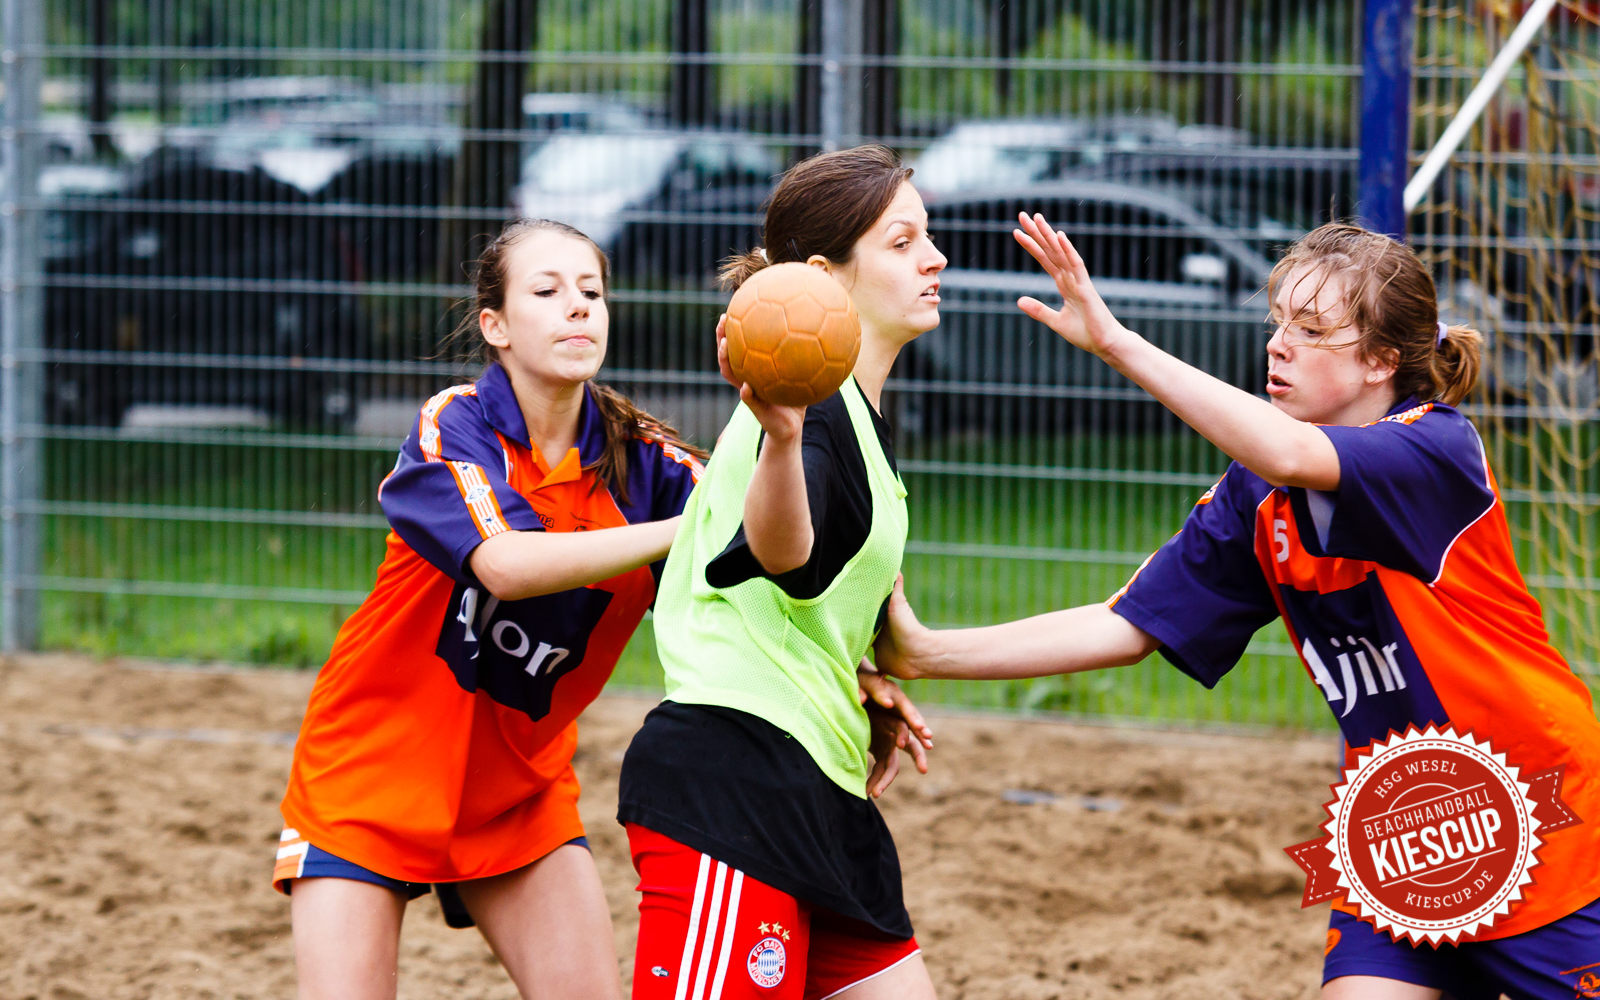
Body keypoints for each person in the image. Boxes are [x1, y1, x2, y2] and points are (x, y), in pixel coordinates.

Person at [876, 219, 1600, 998]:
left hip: (1537, 811)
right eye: (1278, 321)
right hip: (1401, 825)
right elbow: (1128, 624)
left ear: (1381, 362)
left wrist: (1117, 341)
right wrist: (926, 652)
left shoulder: (1435, 451)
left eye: (1312, 328)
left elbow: (1289, 453)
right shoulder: (1257, 494)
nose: (1278, 343)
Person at [274, 218, 706, 1000]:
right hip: (373, 774)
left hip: (517, 790)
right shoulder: (455, 423)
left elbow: (768, 561)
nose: (577, 307)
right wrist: (681, 533)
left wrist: (864, 663)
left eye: (592, 291)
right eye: (547, 291)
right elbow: (505, 564)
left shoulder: (647, 464)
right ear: (495, 326)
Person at [617, 145, 943, 1000]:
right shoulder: (809, 408)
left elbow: (802, 594)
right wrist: (787, 435)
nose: (934, 258)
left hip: (824, 788)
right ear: (820, 277)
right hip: (737, 781)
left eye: (927, 238)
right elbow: (782, 553)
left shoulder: (855, 420)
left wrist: (860, 673)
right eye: (903, 241)